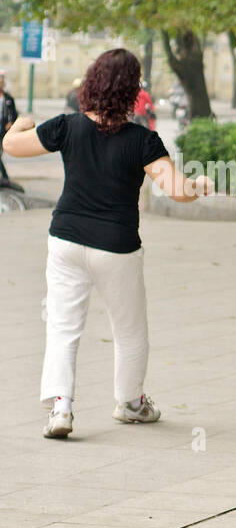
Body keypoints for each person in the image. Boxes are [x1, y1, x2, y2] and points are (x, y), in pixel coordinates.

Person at [2, 48, 212, 439]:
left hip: (65, 238)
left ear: (92, 83)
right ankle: (130, 403)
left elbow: (12, 146)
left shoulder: (67, 126)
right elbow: (175, 189)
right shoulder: (143, 141)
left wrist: (20, 124)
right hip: (117, 247)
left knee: (63, 327)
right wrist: (198, 185)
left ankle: (61, 408)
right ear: (132, 90)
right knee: (130, 329)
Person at [0, 69, 23, 191]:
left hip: (3, 130)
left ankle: (5, 177)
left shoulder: (8, 99)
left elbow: (14, 114)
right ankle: (5, 177)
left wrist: (11, 123)